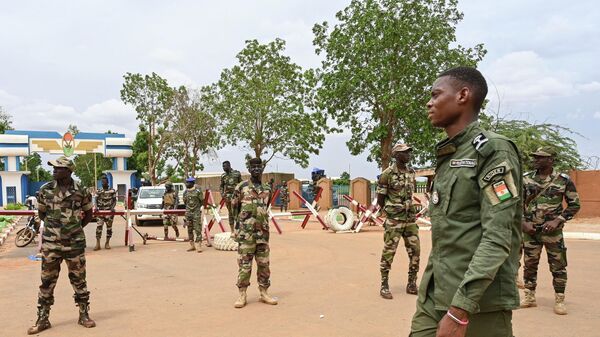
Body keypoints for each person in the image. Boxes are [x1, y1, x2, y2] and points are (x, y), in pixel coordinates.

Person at [410, 67, 522, 337]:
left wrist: (459, 311)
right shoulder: (450, 154)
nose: (429, 102)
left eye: (436, 94)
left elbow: (497, 238)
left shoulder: (493, 150)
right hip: (436, 292)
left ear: (463, 95)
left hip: (477, 304)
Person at [28, 156, 96, 334]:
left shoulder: (81, 190)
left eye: (58, 168)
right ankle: (43, 319)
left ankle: (84, 315)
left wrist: (73, 230)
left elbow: (88, 214)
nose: (54, 170)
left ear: (68, 170)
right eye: (53, 168)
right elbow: (42, 215)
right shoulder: (45, 190)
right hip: (51, 245)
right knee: (47, 282)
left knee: (79, 280)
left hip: (75, 244)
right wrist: (56, 231)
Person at [520, 146, 580, 315]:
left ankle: (559, 299)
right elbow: (516, 204)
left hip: (552, 233)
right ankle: (529, 296)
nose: (536, 159)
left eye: (540, 157)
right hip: (531, 231)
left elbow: (574, 204)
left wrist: (558, 220)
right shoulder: (525, 179)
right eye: (535, 157)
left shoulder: (563, 180)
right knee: (529, 265)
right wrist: (523, 222)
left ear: (551, 160)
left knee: (558, 266)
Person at [232, 157, 277, 308]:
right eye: (253, 167)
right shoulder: (241, 187)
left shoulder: (267, 188)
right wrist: (235, 230)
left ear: (262, 168)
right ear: (249, 169)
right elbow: (234, 210)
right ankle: (242, 294)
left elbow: (266, 208)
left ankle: (264, 292)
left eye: (259, 166)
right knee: (245, 266)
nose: (256, 169)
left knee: (264, 265)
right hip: (246, 235)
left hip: (262, 234)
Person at [377, 142, 420, 299]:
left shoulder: (411, 172)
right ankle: (384, 285)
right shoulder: (387, 174)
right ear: (396, 155)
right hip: (394, 220)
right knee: (389, 252)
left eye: (409, 152)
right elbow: (380, 198)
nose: (408, 154)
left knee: (415, 252)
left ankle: (412, 283)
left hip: (410, 220)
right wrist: (389, 212)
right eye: (404, 152)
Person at [94, 175, 117, 250]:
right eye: (102, 182)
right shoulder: (99, 191)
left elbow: (114, 201)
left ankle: (107, 243)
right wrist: (96, 207)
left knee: (109, 228)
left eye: (104, 182)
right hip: (100, 212)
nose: (103, 183)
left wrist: (112, 208)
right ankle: (98, 244)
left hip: (109, 212)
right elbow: (96, 200)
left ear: (107, 182)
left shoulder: (112, 190)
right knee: (99, 227)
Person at [220, 161, 242, 233]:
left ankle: (238, 230)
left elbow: (241, 184)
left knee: (238, 212)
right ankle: (232, 231)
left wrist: (241, 194)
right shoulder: (223, 176)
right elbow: (221, 186)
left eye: (225, 166)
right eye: (223, 166)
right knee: (230, 213)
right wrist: (222, 194)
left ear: (229, 166)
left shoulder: (237, 173)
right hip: (228, 198)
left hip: (236, 197)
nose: (223, 168)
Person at [183, 177, 203, 252]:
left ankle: (199, 245)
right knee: (189, 229)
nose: (187, 184)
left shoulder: (198, 191)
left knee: (197, 229)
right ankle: (192, 245)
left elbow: (201, 201)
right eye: (186, 182)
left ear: (192, 183)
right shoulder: (185, 192)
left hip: (196, 213)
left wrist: (196, 209)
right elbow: (185, 202)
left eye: (188, 183)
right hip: (188, 213)